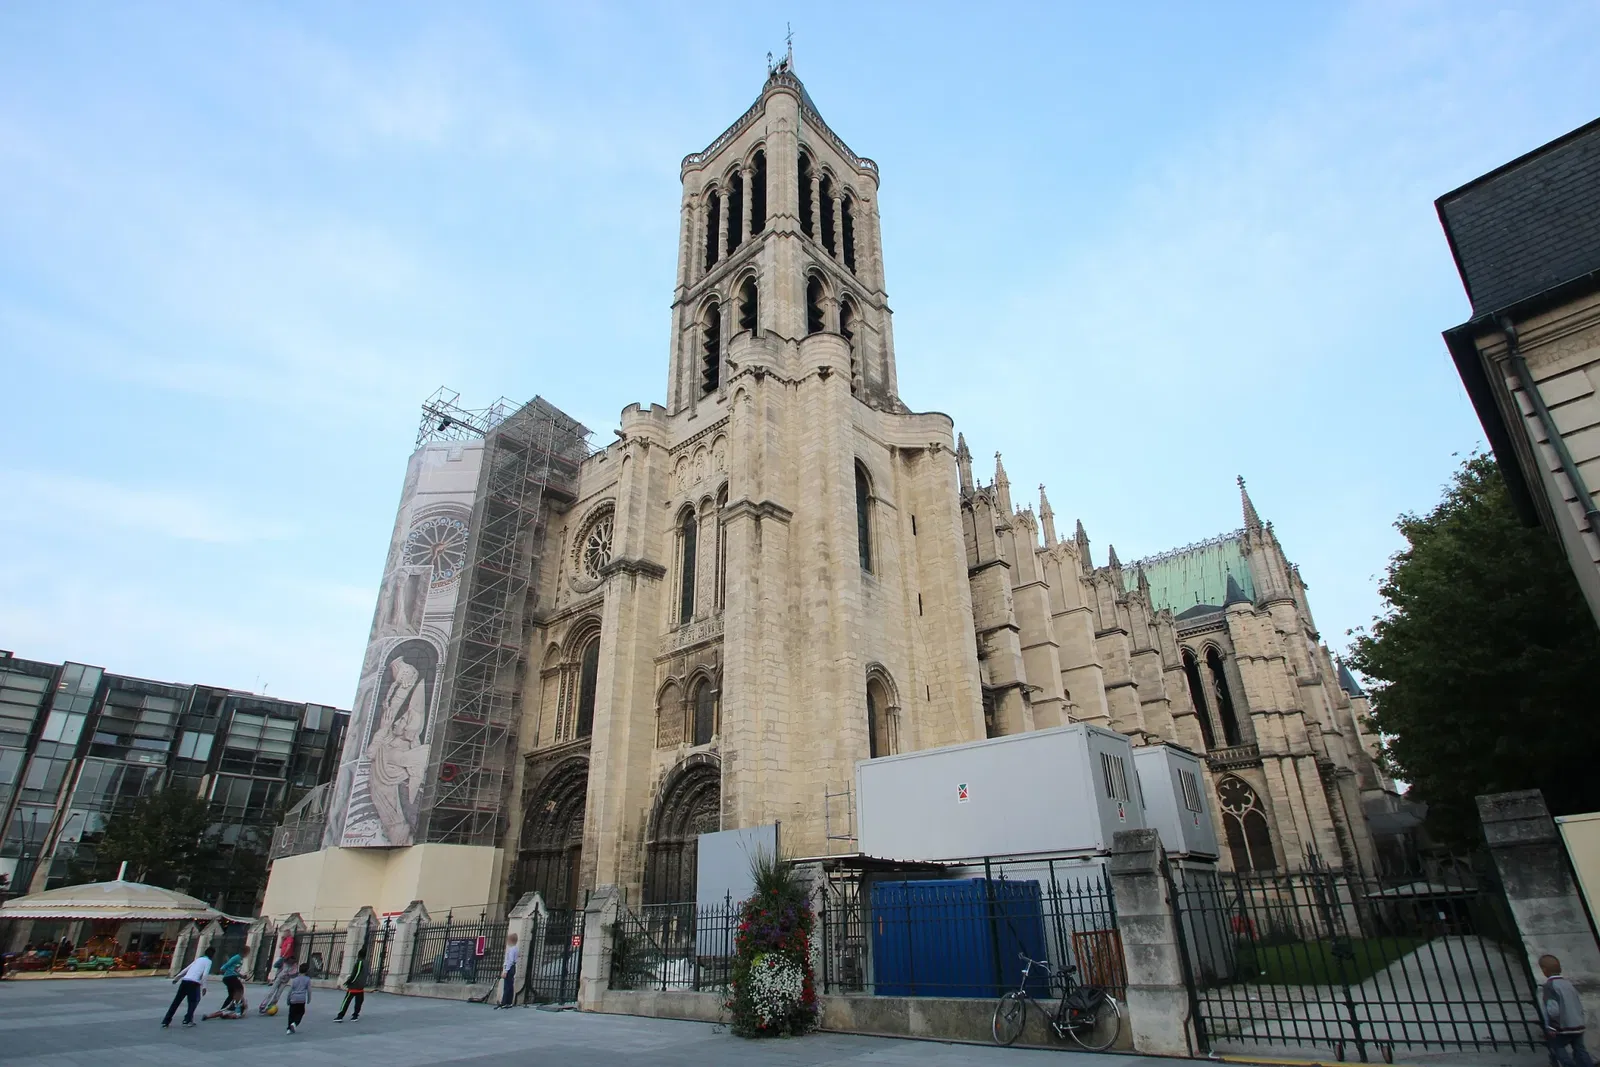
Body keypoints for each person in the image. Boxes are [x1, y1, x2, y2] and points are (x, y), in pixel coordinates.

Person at [1541, 955, 1594, 1067]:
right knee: (1580, 1050)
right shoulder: (1568, 984)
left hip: (1563, 1027)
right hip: (1577, 1024)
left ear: (1544, 970)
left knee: (1558, 1047)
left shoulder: (1549, 986)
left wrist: (1552, 1026)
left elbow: (1553, 1009)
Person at [162, 947, 213, 1029]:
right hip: (194, 983)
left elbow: (186, 969)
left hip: (185, 981)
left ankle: (166, 1021)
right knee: (193, 1002)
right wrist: (204, 987)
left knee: (176, 1001)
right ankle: (187, 1020)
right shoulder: (208, 962)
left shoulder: (198, 959)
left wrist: (177, 978)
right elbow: (205, 974)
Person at [258, 939, 297, 1015]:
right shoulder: (284, 962)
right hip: (279, 978)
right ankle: (263, 1006)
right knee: (271, 992)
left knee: (278, 994)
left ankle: (271, 1005)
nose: (290, 963)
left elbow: (294, 975)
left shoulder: (294, 966)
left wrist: (290, 973)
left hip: (285, 981)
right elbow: (276, 966)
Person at [334, 947, 367, 1021]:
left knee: (346, 1001)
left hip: (354, 985)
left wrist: (349, 981)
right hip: (361, 986)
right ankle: (355, 1015)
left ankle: (340, 1016)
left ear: (359, 955)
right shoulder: (366, 963)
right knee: (359, 1001)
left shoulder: (360, 962)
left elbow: (356, 974)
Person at [494, 933, 519, 1010]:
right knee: (510, 985)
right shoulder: (516, 949)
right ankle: (509, 1002)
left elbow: (510, 961)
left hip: (509, 968)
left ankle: (504, 1002)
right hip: (513, 967)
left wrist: (505, 971)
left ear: (510, 940)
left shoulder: (511, 950)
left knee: (507, 986)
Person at [285, 965, 313, 1035]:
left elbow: (290, 991)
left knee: (291, 1014)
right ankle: (294, 1024)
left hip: (293, 999)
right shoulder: (307, 979)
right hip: (301, 999)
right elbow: (309, 990)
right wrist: (309, 999)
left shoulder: (295, 979)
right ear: (307, 971)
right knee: (301, 1012)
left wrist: (288, 999)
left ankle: (289, 1029)